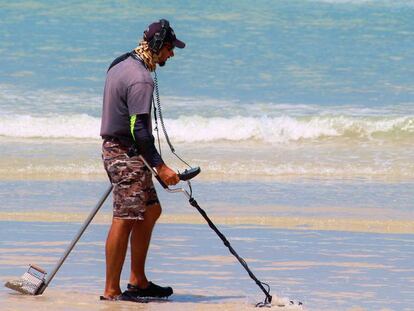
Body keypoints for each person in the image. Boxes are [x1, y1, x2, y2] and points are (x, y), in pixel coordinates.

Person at [99, 19, 185, 302]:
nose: (171, 55)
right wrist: (161, 167)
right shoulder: (141, 79)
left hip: (124, 150)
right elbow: (139, 129)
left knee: (150, 210)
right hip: (124, 154)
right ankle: (111, 291)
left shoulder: (120, 63)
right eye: (170, 49)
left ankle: (138, 281)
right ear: (159, 46)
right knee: (124, 218)